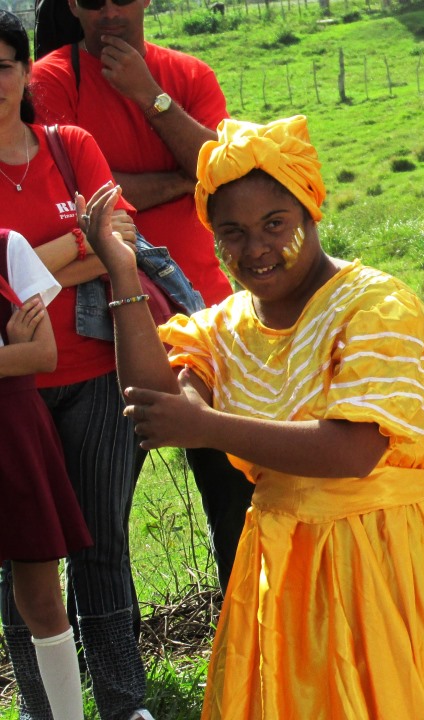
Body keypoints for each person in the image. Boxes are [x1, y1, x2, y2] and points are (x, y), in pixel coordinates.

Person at [78, 114, 424, 719]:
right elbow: (155, 399)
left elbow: (352, 453)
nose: (256, 248)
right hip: (285, 570)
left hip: (385, 562)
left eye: (276, 224)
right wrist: (122, 270)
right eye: (233, 233)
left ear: (311, 211)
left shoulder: (376, 306)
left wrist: (206, 426)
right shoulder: (228, 325)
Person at [31, 0, 252, 592]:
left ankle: (253, 652)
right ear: (73, 7)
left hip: (203, 312)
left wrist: (149, 95)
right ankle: (116, 669)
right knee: (101, 525)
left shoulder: (186, 76)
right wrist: (185, 178)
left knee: (239, 500)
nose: (108, 12)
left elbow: (230, 177)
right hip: (104, 331)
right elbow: (88, 199)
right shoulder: (50, 80)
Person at [0, 12, 156, 720]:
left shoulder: (69, 146)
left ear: (25, 73)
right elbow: (90, 242)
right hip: (14, 392)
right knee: (23, 561)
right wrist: (75, 242)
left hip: (97, 372)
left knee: (104, 545)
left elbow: (119, 240)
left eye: (4, 65)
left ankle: (124, 704)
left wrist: (27, 262)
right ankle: (44, 709)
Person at [0, 227, 91, 720]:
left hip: (12, 432)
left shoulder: (7, 247)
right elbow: (22, 355)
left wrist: (20, 355)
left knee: (40, 593)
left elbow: (43, 354)